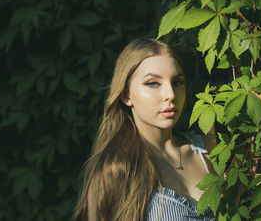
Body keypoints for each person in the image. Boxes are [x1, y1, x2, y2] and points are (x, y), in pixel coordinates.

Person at [72, 38, 217, 221]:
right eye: (153, 83)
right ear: (126, 95)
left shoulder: (204, 148)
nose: (170, 95)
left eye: (177, 82)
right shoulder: (116, 170)